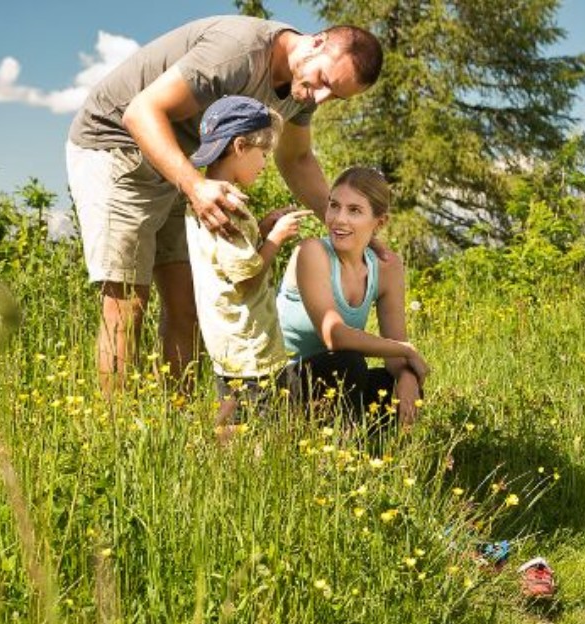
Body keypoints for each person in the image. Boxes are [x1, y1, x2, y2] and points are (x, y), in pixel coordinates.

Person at [65, 15, 384, 394]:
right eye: (326, 82)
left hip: (183, 164)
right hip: (118, 146)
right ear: (315, 43)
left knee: (189, 304)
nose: (321, 98)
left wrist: (345, 226)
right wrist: (195, 187)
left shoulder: (303, 90)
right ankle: (111, 433)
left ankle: (173, 422)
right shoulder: (238, 54)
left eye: (336, 96)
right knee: (128, 300)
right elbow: (140, 112)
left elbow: (297, 160)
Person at [183, 96, 312, 434]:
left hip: (228, 345)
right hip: (250, 348)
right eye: (263, 154)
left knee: (231, 425)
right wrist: (276, 239)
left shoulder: (205, 202)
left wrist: (264, 229)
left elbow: (227, 263)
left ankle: (218, 479)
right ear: (239, 146)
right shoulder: (229, 210)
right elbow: (247, 279)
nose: (266, 164)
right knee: (265, 433)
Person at [277, 167, 426, 427]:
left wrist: (407, 377)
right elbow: (333, 335)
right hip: (282, 385)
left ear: (379, 223)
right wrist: (405, 350)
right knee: (349, 364)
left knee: (392, 386)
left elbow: (395, 351)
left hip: (334, 385)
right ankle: (331, 455)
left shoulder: (387, 268)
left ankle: (378, 458)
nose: (339, 219)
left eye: (354, 210)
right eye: (334, 206)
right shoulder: (311, 252)